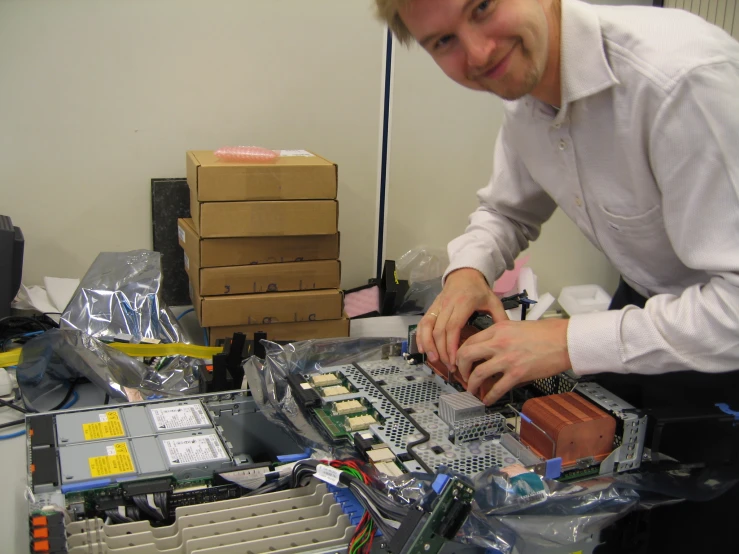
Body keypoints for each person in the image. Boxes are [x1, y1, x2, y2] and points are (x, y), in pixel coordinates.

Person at [374, 0, 739, 551]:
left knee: (696, 528)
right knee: (610, 497)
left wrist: (567, 338)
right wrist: (468, 272)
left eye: (483, 7)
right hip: (649, 303)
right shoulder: (528, 88)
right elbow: (507, 210)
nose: (477, 52)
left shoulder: (680, 83)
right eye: (442, 42)